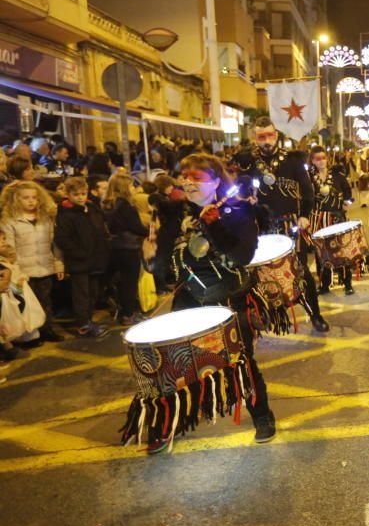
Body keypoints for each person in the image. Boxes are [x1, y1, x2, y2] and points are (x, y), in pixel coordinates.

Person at [139, 153, 276, 452]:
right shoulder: (175, 215)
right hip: (189, 300)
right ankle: (164, 427)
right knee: (173, 367)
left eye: (196, 177)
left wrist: (215, 227)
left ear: (215, 181)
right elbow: (163, 269)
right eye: (184, 176)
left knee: (242, 364)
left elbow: (242, 257)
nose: (188, 181)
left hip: (230, 299)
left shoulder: (237, 211)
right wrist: (150, 259)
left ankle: (262, 416)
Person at [233, 117, 328, 331]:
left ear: (276, 136)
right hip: (261, 227)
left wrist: (304, 214)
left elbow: (307, 191)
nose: (266, 141)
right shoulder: (248, 163)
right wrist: (246, 198)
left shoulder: (292, 160)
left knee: (302, 271)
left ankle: (316, 315)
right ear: (255, 138)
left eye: (269, 135)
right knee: (261, 274)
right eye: (261, 137)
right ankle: (268, 316)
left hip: (290, 224)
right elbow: (239, 191)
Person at [0, 181, 64, 342]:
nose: (30, 201)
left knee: (45, 300)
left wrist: (58, 264)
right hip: (24, 270)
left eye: (34, 197)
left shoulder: (46, 219)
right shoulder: (10, 221)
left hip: (45, 266)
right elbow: (9, 248)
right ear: (16, 199)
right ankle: (30, 335)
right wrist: (15, 270)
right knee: (27, 304)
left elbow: (54, 244)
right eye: (25, 198)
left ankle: (47, 329)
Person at [54, 177, 109, 338]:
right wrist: (80, 254)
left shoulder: (91, 208)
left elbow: (100, 229)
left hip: (95, 259)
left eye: (83, 193)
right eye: (76, 194)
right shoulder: (65, 213)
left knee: (92, 293)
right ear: (68, 194)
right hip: (80, 262)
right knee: (81, 295)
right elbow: (63, 239)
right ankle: (83, 324)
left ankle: (89, 320)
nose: (80, 197)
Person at [102, 172, 148, 325]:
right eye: (131, 185)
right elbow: (137, 228)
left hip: (114, 247)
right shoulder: (126, 206)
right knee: (130, 282)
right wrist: (150, 230)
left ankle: (124, 310)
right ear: (125, 188)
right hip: (129, 247)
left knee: (121, 281)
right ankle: (129, 314)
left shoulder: (108, 204)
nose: (134, 187)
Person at [308, 146, 355, 295]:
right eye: (317, 159)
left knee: (341, 251)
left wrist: (347, 203)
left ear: (327, 158)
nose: (321, 161)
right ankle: (324, 284)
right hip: (318, 219)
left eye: (323, 158)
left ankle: (347, 283)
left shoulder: (337, 176)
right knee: (321, 253)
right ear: (313, 161)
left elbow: (348, 193)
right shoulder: (309, 178)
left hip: (336, 218)